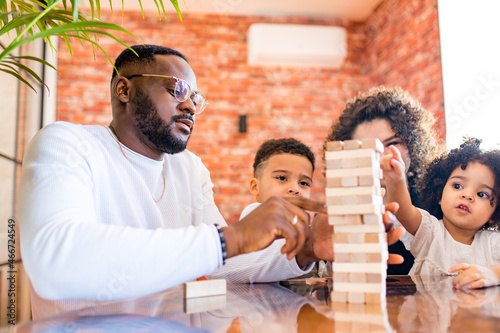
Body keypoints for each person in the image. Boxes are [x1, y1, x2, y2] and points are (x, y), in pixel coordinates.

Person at [19, 44, 403, 301]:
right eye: (177, 90)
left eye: (196, 98)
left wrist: (307, 246)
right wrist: (229, 238)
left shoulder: (189, 168)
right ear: (123, 89)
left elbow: (225, 267)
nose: (189, 106)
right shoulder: (66, 144)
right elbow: (56, 260)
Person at [324, 86, 440, 274]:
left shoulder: (440, 203)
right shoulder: (342, 211)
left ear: (412, 144)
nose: (383, 156)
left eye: (392, 143)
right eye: (369, 147)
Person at [381, 137, 500, 289]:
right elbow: (404, 211)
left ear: (494, 213)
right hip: (428, 311)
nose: (467, 195)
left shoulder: (492, 244)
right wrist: (396, 180)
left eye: (482, 194)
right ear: (439, 194)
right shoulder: (430, 232)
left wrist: (492, 273)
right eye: (457, 185)